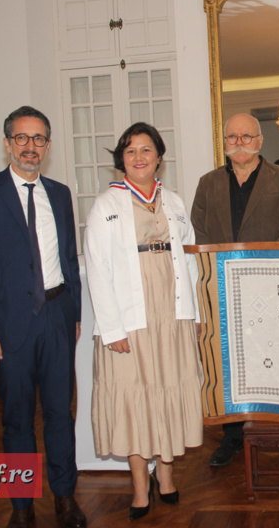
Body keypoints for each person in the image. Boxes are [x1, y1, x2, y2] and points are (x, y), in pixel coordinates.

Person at [0, 106, 85, 528]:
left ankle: (65, 498)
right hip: (8, 325)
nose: (30, 146)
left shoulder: (60, 194)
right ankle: (22, 506)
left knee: (60, 414)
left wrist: (74, 314)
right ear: (7, 143)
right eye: (21, 137)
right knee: (17, 419)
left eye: (38, 138)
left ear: (48, 145)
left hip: (57, 317)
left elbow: (68, 259)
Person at [83, 122, 203, 520]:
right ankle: (139, 486)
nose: (139, 157)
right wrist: (111, 329)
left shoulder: (174, 201)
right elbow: (97, 270)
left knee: (168, 391)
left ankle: (165, 477)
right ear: (122, 159)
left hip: (171, 315)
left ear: (159, 157)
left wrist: (195, 313)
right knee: (134, 398)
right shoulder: (106, 204)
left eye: (146, 149)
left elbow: (189, 259)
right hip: (129, 318)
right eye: (130, 150)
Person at [191, 112, 279, 467]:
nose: (239, 143)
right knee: (231, 367)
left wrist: (261, 276)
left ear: (259, 141)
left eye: (246, 136)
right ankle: (232, 436)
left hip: (273, 291)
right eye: (232, 137)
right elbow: (198, 234)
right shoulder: (207, 183)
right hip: (224, 293)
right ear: (224, 142)